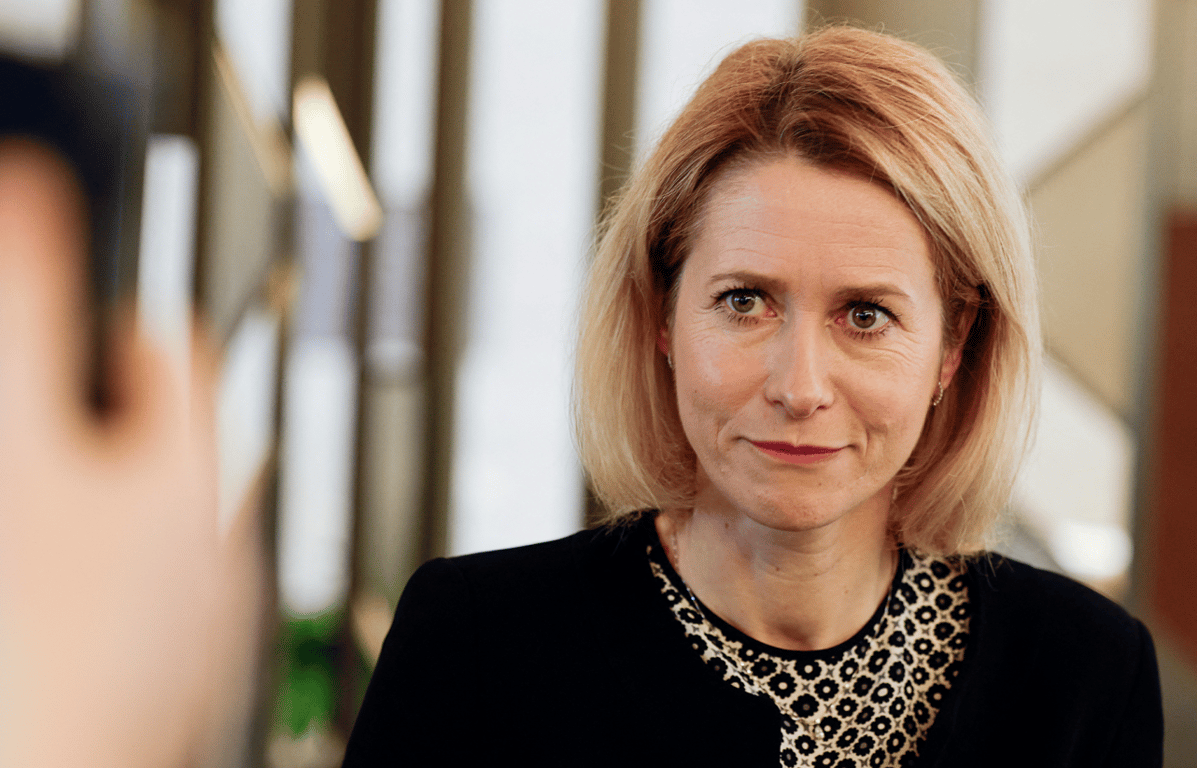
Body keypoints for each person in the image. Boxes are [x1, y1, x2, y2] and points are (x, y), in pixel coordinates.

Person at [342, 25, 1163, 767]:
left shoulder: (1087, 672)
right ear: (662, 315)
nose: (799, 388)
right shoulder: (475, 644)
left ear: (953, 347)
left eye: (866, 315)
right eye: (744, 301)